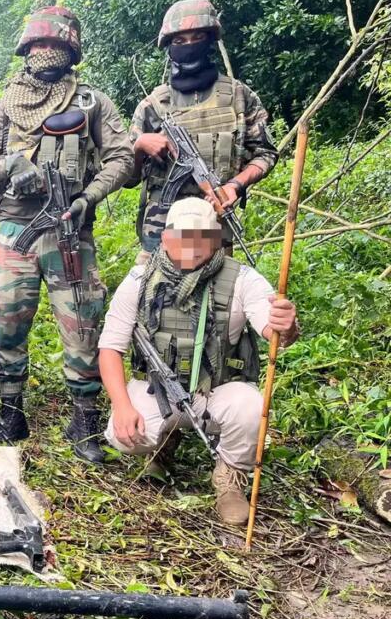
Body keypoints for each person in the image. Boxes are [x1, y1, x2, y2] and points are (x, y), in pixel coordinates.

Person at [0, 5, 133, 461]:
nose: (46, 51)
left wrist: (88, 198)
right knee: (7, 323)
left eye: (55, 43)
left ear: (70, 49)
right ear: (26, 48)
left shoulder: (91, 102)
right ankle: (10, 410)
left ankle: (84, 420)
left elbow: (122, 157)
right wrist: (11, 164)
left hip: (69, 231)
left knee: (82, 324)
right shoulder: (5, 105)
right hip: (15, 231)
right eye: (39, 43)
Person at [99, 197, 299, 524]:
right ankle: (164, 442)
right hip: (158, 390)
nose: (191, 246)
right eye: (183, 236)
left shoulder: (242, 279)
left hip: (216, 390)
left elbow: (273, 330)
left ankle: (229, 478)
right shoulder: (140, 280)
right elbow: (110, 347)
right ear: (165, 238)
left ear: (216, 239)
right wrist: (121, 406)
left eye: (201, 237)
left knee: (251, 407)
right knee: (122, 435)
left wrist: (285, 325)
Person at [129, 0, 278, 260]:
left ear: (210, 40)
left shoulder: (238, 96)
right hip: (161, 226)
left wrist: (234, 186)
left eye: (197, 37)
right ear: (169, 46)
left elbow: (266, 153)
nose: (189, 46)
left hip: (214, 219)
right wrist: (140, 147)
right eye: (180, 41)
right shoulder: (154, 105)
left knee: (218, 285)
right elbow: (128, 178)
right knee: (150, 285)